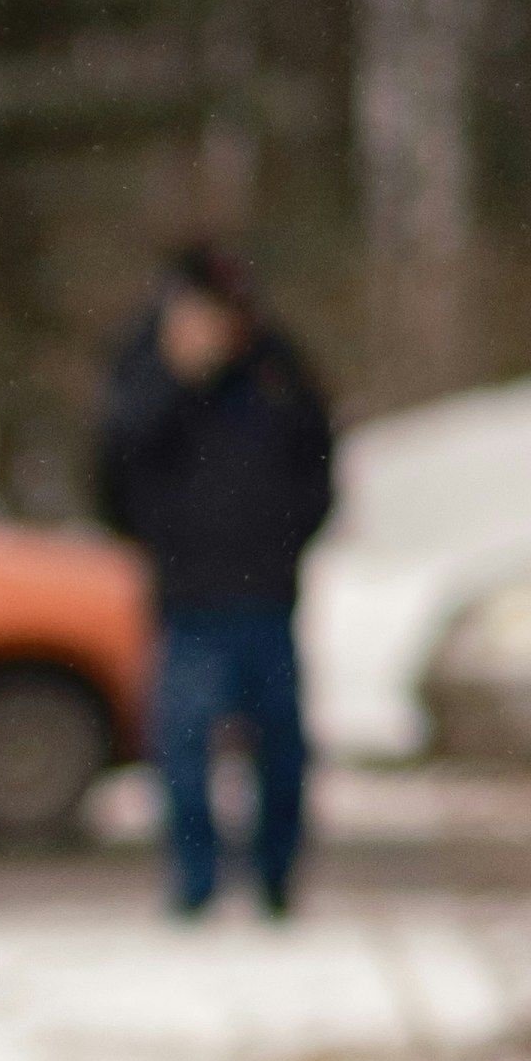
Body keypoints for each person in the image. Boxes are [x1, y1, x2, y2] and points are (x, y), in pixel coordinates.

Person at [93, 238, 337, 922]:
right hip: (189, 597)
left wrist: (284, 539)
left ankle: (276, 878)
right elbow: (115, 468)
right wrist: (179, 380)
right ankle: (194, 880)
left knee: (281, 748)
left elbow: (318, 464)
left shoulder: (278, 370)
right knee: (184, 746)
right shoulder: (146, 368)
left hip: (268, 593)